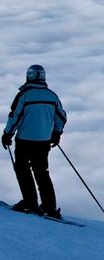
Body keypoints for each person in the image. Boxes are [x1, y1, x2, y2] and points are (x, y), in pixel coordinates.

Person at [2, 65, 67, 219]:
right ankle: (49, 207)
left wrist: (7, 135)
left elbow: (15, 117)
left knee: (23, 170)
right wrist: (56, 133)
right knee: (42, 172)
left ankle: (29, 203)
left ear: (28, 77)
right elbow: (62, 117)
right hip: (43, 142)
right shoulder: (52, 96)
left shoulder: (24, 95)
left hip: (24, 140)